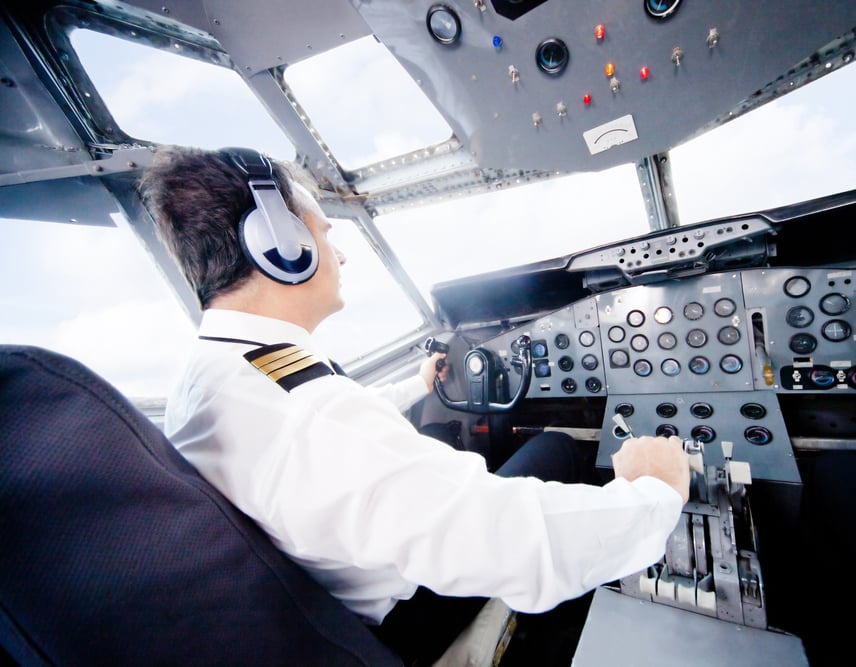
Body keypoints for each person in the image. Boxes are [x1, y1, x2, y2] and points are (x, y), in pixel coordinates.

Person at [139, 145, 692, 665]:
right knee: (557, 448)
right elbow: (513, 540)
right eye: (327, 234)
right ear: (280, 244)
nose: (342, 254)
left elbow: (328, 418)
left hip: (332, 615)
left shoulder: (219, 371)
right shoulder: (311, 418)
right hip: (401, 623)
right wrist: (653, 495)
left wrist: (417, 386)